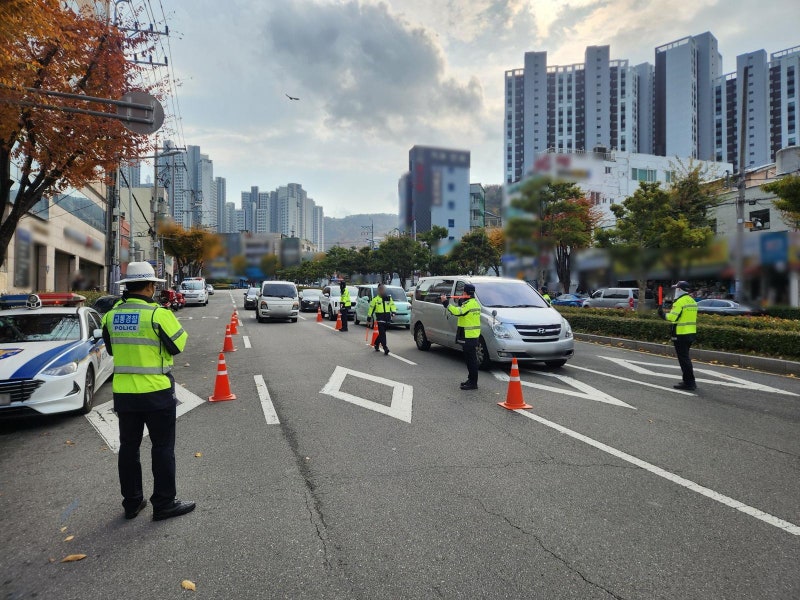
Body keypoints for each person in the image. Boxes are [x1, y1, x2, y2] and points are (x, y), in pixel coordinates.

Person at [101, 262, 195, 521]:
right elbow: (178, 346)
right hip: (156, 392)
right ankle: (164, 504)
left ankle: (132, 503)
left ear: (127, 286)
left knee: (128, 448)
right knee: (162, 448)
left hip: (124, 394)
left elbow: (111, 349)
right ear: (150, 286)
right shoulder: (158, 314)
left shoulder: (110, 316)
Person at [658, 280, 698, 391]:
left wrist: (662, 314)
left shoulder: (679, 302)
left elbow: (672, 317)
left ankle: (690, 383)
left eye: (676, 288)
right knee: (685, 358)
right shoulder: (692, 301)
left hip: (680, 334)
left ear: (679, 289)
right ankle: (688, 381)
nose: (675, 290)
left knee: (684, 359)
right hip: (691, 333)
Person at [440, 283, 482, 390]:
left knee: (471, 360)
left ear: (466, 292)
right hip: (471, 335)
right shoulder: (474, 303)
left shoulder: (469, 304)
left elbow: (458, 312)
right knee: (469, 359)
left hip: (469, 335)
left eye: (463, 291)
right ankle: (471, 379)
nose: (462, 293)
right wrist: (461, 301)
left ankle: (473, 383)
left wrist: (446, 303)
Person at [368, 283, 396, 355]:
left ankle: (376, 343)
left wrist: (393, 312)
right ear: (378, 290)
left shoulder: (388, 298)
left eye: (383, 289)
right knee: (382, 334)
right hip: (380, 318)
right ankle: (385, 348)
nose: (382, 291)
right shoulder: (375, 299)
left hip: (387, 318)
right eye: (381, 289)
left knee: (382, 333)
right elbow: (371, 308)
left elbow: (392, 305)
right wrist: (369, 317)